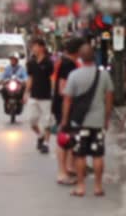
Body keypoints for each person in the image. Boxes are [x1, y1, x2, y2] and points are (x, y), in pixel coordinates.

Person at [60, 39, 114, 197]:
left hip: (79, 122)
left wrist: (65, 120)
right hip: (98, 121)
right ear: (94, 57)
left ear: (80, 58)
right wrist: (106, 118)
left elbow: (67, 99)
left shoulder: (74, 75)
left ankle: (81, 186)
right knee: (98, 154)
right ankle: (98, 186)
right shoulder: (104, 75)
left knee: (80, 155)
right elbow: (109, 98)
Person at [52, 38, 81, 186]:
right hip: (64, 106)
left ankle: (69, 167)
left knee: (70, 138)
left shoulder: (67, 63)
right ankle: (62, 173)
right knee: (63, 139)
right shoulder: (67, 65)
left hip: (67, 105)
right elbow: (62, 89)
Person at [25, 38, 55, 154]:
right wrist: (26, 92)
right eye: (32, 46)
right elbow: (30, 78)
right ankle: (40, 135)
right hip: (34, 96)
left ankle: (46, 144)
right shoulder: (31, 63)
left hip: (46, 97)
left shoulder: (48, 63)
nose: (33, 48)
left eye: (35, 46)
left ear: (42, 47)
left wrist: (54, 93)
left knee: (47, 121)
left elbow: (52, 78)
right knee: (32, 121)